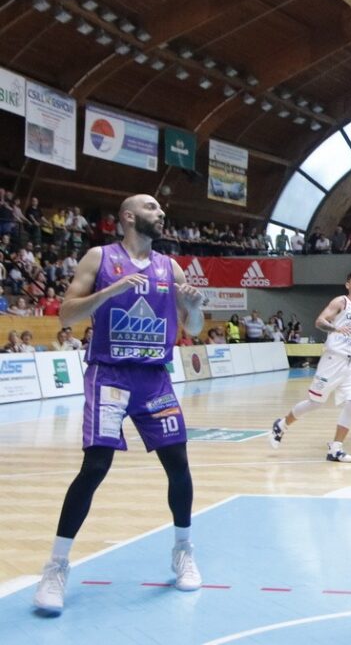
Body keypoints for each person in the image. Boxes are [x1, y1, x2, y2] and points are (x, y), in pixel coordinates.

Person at [33, 194, 206, 615]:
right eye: (151, 208)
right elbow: (66, 316)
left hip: (154, 378)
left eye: (161, 208)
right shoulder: (100, 257)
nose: (161, 213)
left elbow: (194, 328)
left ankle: (183, 550)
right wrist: (109, 291)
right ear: (128, 217)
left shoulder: (170, 267)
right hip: (109, 374)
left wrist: (195, 308)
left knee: (178, 462)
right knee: (95, 467)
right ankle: (56, 566)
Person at [269, 271, 351, 462]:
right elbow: (319, 321)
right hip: (333, 359)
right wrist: (335, 328)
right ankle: (282, 424)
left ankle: (336, 448)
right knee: (315, 402)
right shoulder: (341, 302)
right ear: (348, 285)